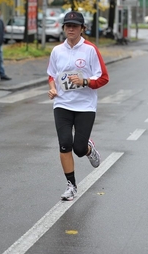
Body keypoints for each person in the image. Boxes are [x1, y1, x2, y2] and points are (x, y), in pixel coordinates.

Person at [47, 11, 109, 201]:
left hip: (85, 106)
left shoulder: (90, 50)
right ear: (64, 28)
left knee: (79, 149)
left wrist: (85, 82)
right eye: (67, 25)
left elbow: (103, 78)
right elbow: (52, 75)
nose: (71, 29)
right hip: (62, 104)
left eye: (75, 26)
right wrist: (52, 89)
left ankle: (89, 149)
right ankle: (71, 185)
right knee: (65, 143)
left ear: (82, 29)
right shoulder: (57, 51)